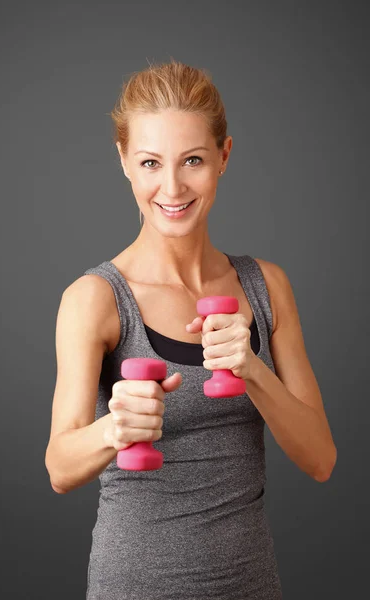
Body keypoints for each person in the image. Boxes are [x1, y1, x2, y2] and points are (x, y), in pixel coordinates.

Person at [45, 59, 337, 600]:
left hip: (251, 585)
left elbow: (320, 459)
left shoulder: (265, 286)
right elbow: (59, 468)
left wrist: (251, 368)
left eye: (193, 160)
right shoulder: (97, 299)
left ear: (224, 157)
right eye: (151, 162)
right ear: (124, 163)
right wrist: (115, 427)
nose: (172, 186)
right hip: (134, 587)